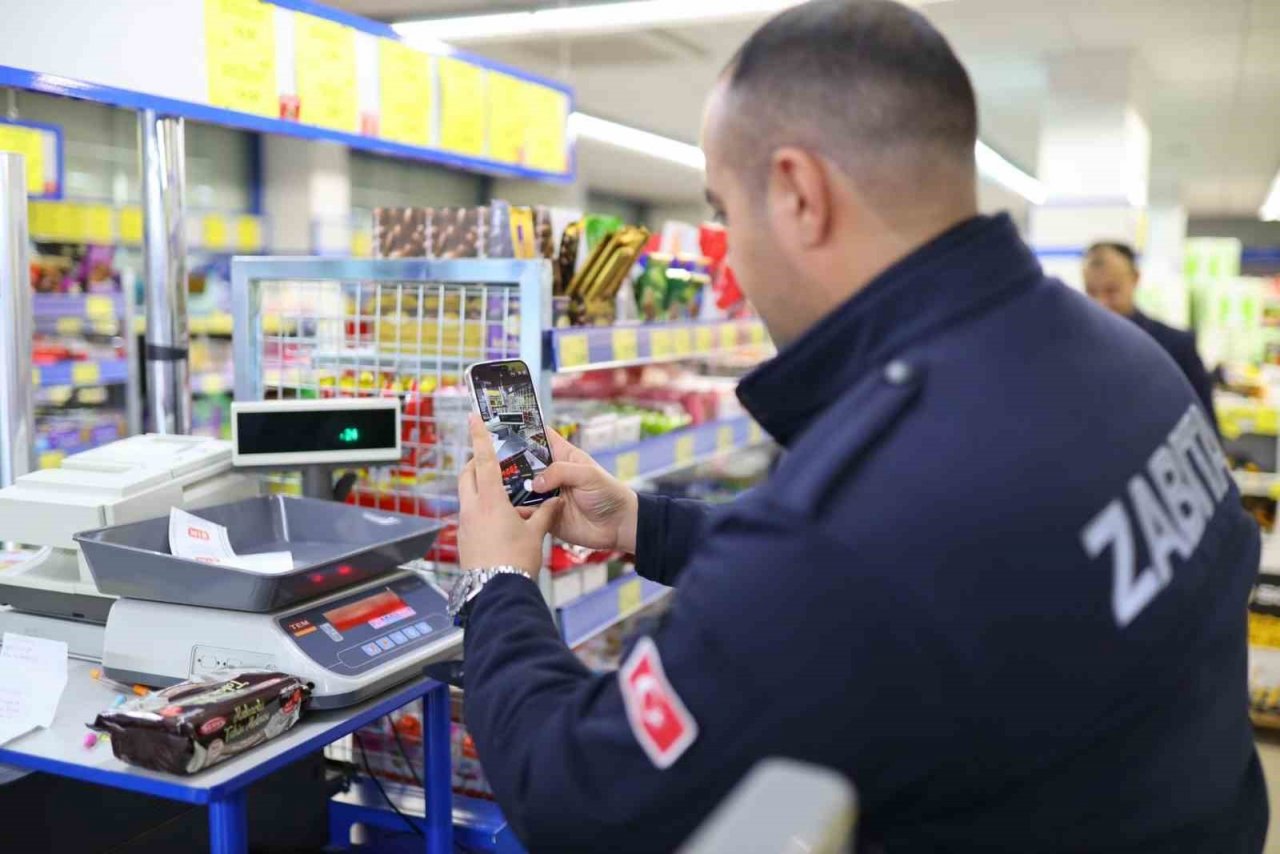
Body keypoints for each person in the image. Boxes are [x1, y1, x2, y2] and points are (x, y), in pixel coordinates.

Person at [452, 1, 1267, 851]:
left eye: (726, 213)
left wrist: (498, 585)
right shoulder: (1127, 362)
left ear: (800, 195)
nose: (729, 252)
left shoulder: (856, 520)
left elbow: (579, 797)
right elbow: (938, 573)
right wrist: (642, 524)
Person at [1084, 241, 1218, 428]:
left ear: (1135, 279)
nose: (1101, 303)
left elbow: (1206, 427)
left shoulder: (1175, 345)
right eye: (1091, 292)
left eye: (1112, 291)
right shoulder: (1079, 349)